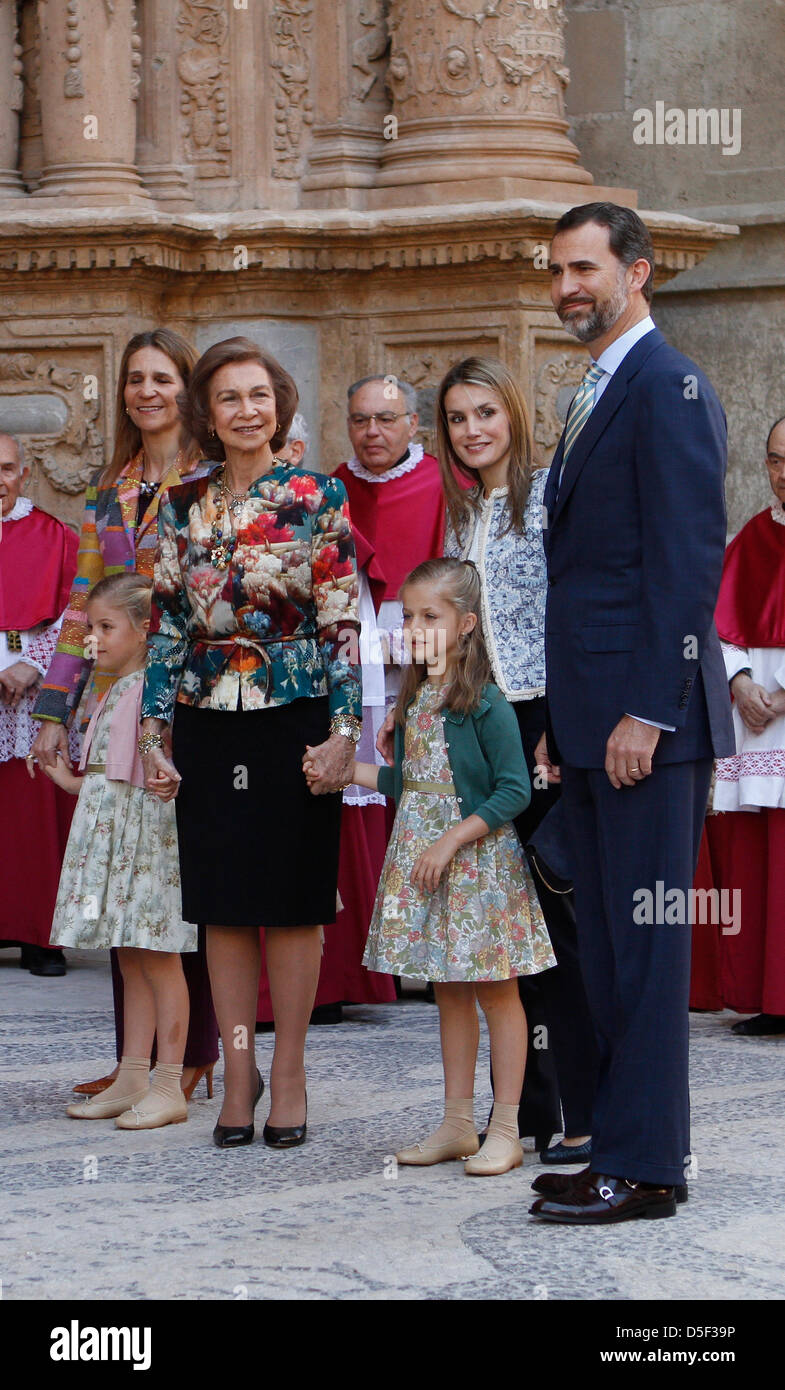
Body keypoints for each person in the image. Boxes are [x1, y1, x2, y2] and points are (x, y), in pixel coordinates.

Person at [529, 202, 733, 1225]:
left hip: (648, 731)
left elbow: (688, 562)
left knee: (645, 954)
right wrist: (567, 721)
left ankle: (647, 1169)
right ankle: (616, 1143)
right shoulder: (596, 388)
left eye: (582, 268)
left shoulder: (667, 385)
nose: (565, 285)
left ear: (637, 272)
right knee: (605, 949)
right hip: (593, 725)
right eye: (555, 270)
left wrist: (647, 713)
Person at [139, 337, 362, 1151]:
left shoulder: (316, 495)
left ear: (280, 404)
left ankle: (292, 1073)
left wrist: (345, 733)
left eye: (258, 395)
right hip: (204, 716)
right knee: (224, 908)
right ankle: (238, 1072)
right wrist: (153, 732)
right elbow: (164, 626)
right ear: (207, 412)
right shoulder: (179, 504)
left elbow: (341, 621)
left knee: (295, 903)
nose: (245, 410)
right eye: (228, 398)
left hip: (294, 715)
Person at [31, 328, 218, 1100]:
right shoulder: (111, 489)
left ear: (188, 388)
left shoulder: (213, 481)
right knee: (125, 878)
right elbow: (82, 605)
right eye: (135, 379)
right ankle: (135, 1058)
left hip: (193, 698)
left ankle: (195, 1052)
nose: (147, 391)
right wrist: (55, 709)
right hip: (119, 698)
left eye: (163, 378)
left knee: (184, 883)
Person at [340, 558, 555, 1178]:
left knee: (498, 992)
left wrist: (451, 842)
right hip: (426, 856)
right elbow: (409, 782)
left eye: (429, 616)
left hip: (478, 867)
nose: (413, 627)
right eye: (407, 615)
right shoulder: (416, 696)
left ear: (465, 624)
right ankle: (458, 1123)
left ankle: (508, 1128)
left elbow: (515, 791)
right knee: (450, 993)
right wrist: (344, 773)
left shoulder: (485, 702)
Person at [437, 356, 598, 1164]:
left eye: (485, 413)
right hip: (483, 721)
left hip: (542, 718)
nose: (473, 429)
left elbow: (568, 615)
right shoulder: (459, 517)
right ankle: (523, 1110)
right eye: (459, 417)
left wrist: (559, 730)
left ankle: (583, 1108)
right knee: (503, 930)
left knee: (554, 916)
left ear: (512, 416)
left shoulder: (546, 501)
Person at [256, 413, 395, 1026]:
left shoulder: (326, 511)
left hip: (315, 694)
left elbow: (349, 624)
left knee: (316, 832)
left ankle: (331, 983)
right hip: (237, 702)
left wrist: (347, 723)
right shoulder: (208, 513)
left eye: (287, 444)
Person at [43, 574, 197, 1129]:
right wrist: (70, 784)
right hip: (117, 834)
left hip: (147, 841)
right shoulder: (115, 689)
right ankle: (133, 1071)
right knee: (130, 955)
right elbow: (112, 778)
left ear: (145, 629)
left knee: (158, 955)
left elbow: (151, 777)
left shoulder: (152, 690)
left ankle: (168, 1080)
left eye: (106, 628)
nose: (94, 640)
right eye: (90, 628)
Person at [704, 415, 785, 1036]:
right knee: (759, 863)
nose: (784, 473)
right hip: (753, 719)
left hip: (777, 709)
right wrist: (738, 683)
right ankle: (769, 996)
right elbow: (717, 627)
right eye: (776, 459)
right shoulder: (749, 539)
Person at [0, 434, 78, 976]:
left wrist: (33, 664)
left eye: (5, 469)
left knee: (35, 815)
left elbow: (80, 611)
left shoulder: (54, 535)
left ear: (24, 474)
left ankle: (40, 936)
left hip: (35, 689)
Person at [336, 375, 445, 710]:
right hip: (354, 633)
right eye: (360, 420)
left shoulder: (444, 481)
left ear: (412, 424)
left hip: (425, 632)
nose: (372, 431)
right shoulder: (332, 486)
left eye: (385, 419)